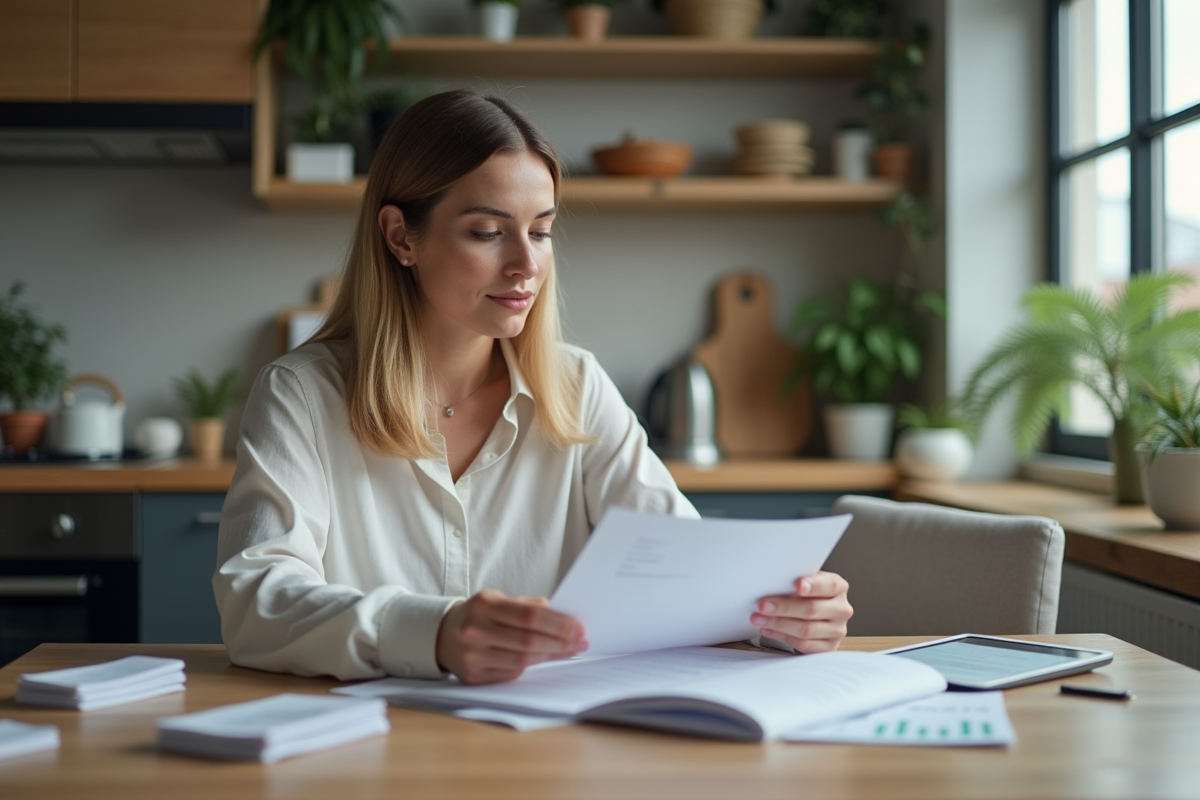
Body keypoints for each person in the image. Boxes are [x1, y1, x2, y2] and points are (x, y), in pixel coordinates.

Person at [213, 90, 852, 686]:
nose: (526, 264)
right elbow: (256, 600)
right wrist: (433, 633)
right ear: (400, 235)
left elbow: (682, 571)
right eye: (488, 232)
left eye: (541, 231)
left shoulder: (576, 385)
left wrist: (779, 617)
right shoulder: (301, 394)